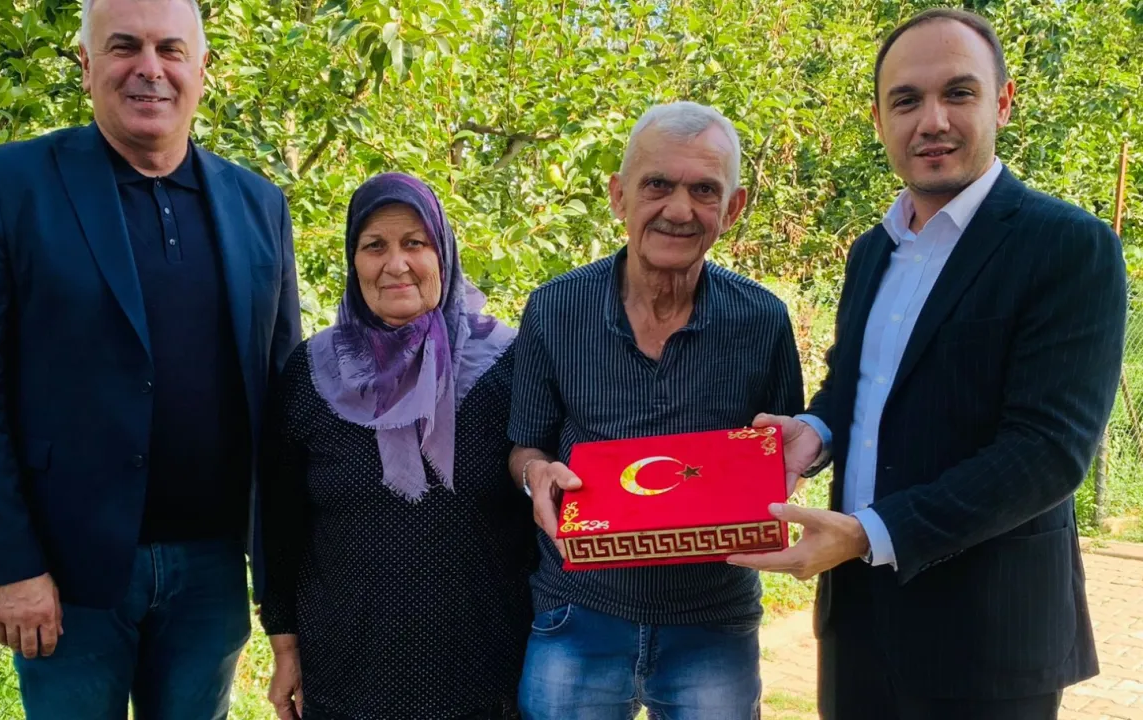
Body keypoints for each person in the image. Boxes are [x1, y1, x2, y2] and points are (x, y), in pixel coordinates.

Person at [730, 8, 1126, 720]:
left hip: (990, 637)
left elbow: (1047, 452)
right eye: (906, 100)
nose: (932, 121)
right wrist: (815, 432)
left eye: (959, 93)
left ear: (1002, 102)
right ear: (880, 119)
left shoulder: (1068, 246)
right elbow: (855, 384)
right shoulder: (871, 251)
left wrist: (869, 533)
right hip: (857, 626)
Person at [0, 0, 302, 714]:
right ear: (86, 64)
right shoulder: (7, 186)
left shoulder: (258, 203)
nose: (149, 69)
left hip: (212, 571)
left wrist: (286, 572)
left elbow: (283, 390)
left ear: (202, 67)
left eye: (170, 50)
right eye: (124, 46)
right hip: (66, 576)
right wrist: (10, 564)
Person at [507, 101, 805, 719]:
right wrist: (536, 474)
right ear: (619, 196)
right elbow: (526, 445)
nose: (679, 209)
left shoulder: (762, 320)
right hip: (578, 610)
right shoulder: (554, 309)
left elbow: (784, 452)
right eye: (658, 185)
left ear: (733, 208)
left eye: (704, 190)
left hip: (713, 620)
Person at [259, 172, 535, 720]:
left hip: (484, 669)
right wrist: (284, 646)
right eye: (374, 246)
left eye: (415, 243)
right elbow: (282, 521)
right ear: (353, 259)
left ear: (443, 253)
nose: (396, 264)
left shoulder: (509, 365)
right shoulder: (311, 373)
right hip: (344, 670)